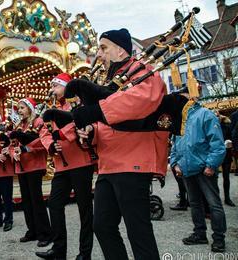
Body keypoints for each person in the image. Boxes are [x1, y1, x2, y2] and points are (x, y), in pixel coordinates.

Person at [74, 28, 169, 260]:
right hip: (109, 164)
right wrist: (90, 132)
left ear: (120, 49)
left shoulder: (143, 72)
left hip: (134, 161)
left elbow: (140, 101)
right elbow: (106, 124)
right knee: (102, 225)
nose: (99, 54)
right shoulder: (111, 80)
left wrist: (95, 111)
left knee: (138, 231)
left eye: (103, 48)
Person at [37, 73, 95, 260]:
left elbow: (79, 122)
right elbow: (44, 132)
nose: (52, 89)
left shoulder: (80, 104)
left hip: (80, 162)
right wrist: (50, 145)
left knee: (84, 210)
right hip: (62, 166)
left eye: (55, 86)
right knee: (54, 204)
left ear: (67, 86)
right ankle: (59, 249)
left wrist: (60, 135)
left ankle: (84, 253)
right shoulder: (53, 109)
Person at [170, 87, 227, 253]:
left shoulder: (205, 114)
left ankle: (219, 238)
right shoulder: (178, 120)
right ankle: (200, 234)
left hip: (204, 169)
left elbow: (217, 144)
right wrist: (175, 164)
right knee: (195, 204)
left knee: (214, 204)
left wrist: (211, 165)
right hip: (187, 170)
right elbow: (174, 146)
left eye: (180, 97)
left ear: (189, 97)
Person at [9, 98, 52, 247]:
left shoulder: (38, 122)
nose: (19, 110)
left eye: (22, 108)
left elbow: (44, 142)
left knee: (36, 200)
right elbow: (12, 144)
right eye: (18, 108)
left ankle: (45, 233)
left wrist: (27, 148)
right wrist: (13, 152)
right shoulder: (19, 125)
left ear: (30, 108)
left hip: (34, 165)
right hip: (21, 166)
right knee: (26, 201)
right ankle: (32, 230)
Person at [215, 110, 235, 206]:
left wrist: (229, 142)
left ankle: (227, 198)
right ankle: (216, 198)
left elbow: (231, 138)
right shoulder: (210, 128)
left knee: (226, 177)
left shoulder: (226, 127)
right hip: (214, 156)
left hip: (226, 155)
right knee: (214, 178)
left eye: (217, 116)